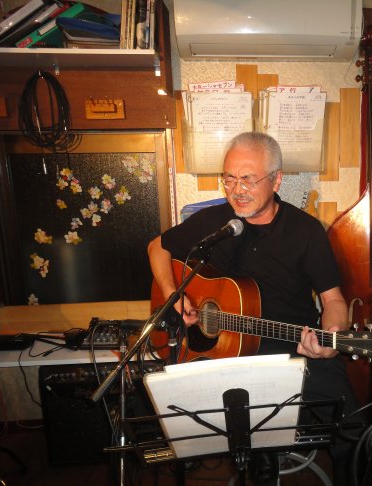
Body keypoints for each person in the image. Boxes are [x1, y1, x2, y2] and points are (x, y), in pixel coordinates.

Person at [147, 131, 359, 485]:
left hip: (295, 348)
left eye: (248, 179)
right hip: (227, 354)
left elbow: (333, 300)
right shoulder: (214, 223)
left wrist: (331, 337)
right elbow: (158, 246)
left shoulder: (306, 231)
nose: (237, 190)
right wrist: (172, 294)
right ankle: (260, 466)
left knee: (352, 429)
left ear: (276, 180)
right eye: (229, 178)